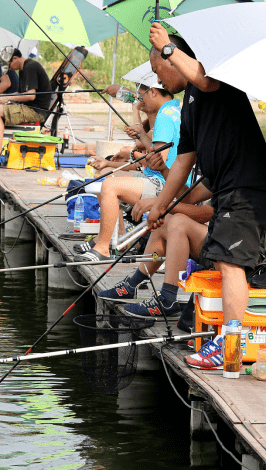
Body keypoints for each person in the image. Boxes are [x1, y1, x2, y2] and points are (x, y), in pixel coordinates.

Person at [146, 24, 266, 369]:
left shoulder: (213, 77)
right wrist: (159, 206)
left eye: (158, 71)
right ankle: (227, 343)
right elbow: (184, 161)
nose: (159, 81)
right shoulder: (189, 106)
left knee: (232, 263)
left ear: (173, 61)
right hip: (228, 189)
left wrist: (166, 46)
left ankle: (229, 347)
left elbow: (204, 79)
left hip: (246, 187)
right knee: (225, 262)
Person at [74, 79, 189, 263]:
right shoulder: (173, 110)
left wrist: (132, 152)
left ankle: (103, 248)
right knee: (104, 177)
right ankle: (110, 237)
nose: (141, 102)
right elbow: (156, 156)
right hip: (163, 179)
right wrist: (141, 137)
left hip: (167, 185)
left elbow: (159, 161)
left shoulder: (165, 117)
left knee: (110, 186)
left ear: (152, 92)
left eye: (142, 96)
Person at [98, 179, 213, 320]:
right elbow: (190, 197)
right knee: (167, 220)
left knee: (178, 222)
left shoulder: (234, 168)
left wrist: (160, 205)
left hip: (229, 253)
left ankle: (167, 298)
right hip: (216, 240)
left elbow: (205, 214)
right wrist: (163, 170)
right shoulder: (220, 168)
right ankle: (132, 285)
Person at [0, 47, 52, 155]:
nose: (10, 68)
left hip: (35, 111)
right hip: (26, 107)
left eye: (9, 64)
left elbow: (31, 96)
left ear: (15, 58)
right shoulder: (23, 69)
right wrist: (4, 96)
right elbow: (20, 93)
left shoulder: (30, 67)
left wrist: (8, 98)